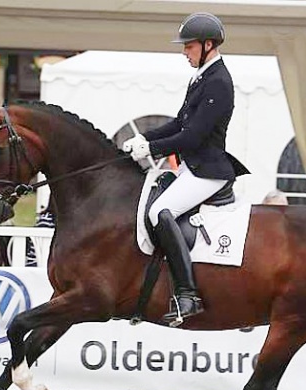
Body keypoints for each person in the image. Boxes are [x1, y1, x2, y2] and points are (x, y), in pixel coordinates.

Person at [121, 12, 248, 327]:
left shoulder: (219, 81)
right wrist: (142, 138)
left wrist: (151, 149)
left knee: (159, 212)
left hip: (208, 170)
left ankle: (188, 294)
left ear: (208, 45)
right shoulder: (201, 77)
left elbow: (192, 136)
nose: (184, 52)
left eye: (189, 46)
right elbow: (179, 123)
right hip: (193, 167)